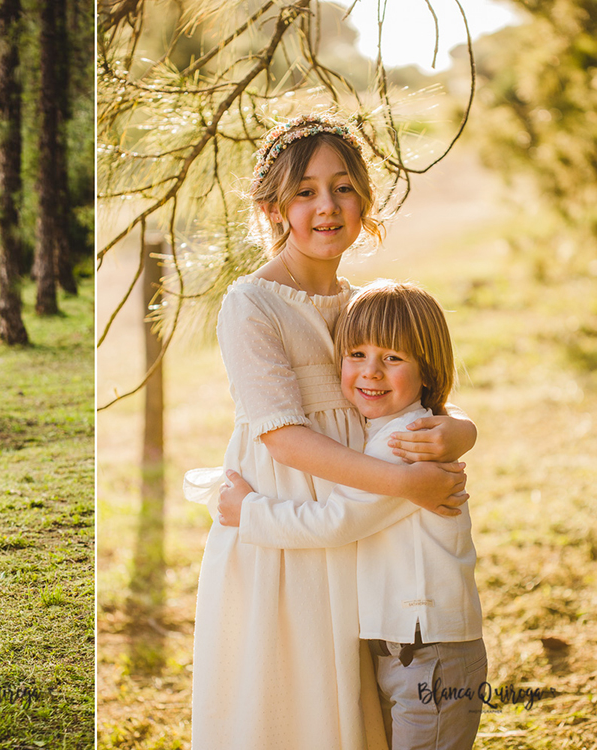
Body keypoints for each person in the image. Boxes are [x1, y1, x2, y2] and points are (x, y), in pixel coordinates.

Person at [183, 115, 476, 750]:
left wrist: (459, 433)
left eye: (343, 188)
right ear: (275, 208)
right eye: (305, 192)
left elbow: (422, 396)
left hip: (364, 532)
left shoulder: (366, 305)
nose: (327, 206)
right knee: (295, 689)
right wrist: (407, 483)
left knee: (358, 691)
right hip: (288, 516)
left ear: (364, 199)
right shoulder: (252, 303)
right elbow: (284, 438)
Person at [219, 280, 486, 749]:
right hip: (403, 651)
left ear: (428, 370)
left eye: (393, 358)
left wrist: (250, 512)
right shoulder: (384, 432)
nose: (371, 372)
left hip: (432, 653)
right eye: (357, 354)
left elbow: (336, 520)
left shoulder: (405, 444)